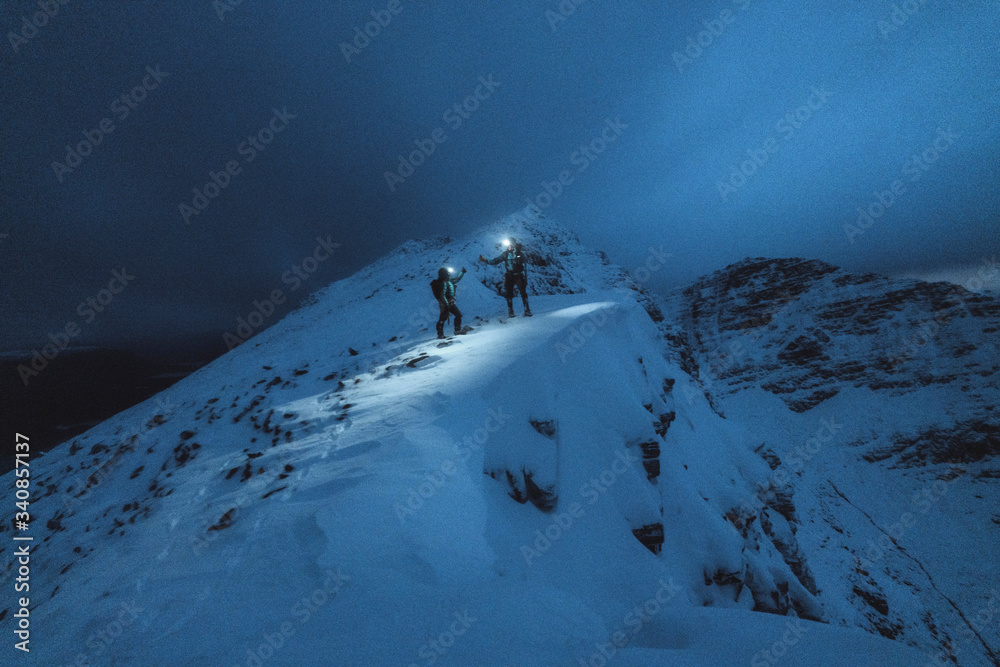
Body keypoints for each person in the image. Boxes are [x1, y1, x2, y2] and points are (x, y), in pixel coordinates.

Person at [479, 238, 531, 317]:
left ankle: (527, 310)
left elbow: (524, 267)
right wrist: (485, 260)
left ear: (513, 245)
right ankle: (511, 312)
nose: (508, 247)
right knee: (509, 294)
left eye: (509, 245)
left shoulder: (520, 254)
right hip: (509, 275)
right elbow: (495, 261)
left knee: (523, 293)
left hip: (519, 275)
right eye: (507, 246)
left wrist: (525, 279)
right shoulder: (505, 254)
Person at [431, 266, 466, 339]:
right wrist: (446, 304)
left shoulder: (448, 281)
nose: (449, 273)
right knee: (443, 319)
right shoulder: (443, 283)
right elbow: (442, 295)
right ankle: (440, 334)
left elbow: (456, 279)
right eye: (447, 272)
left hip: (450, 303)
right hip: (445, 304)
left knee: (457, 315)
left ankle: (457, 330)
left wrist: (462, 272)